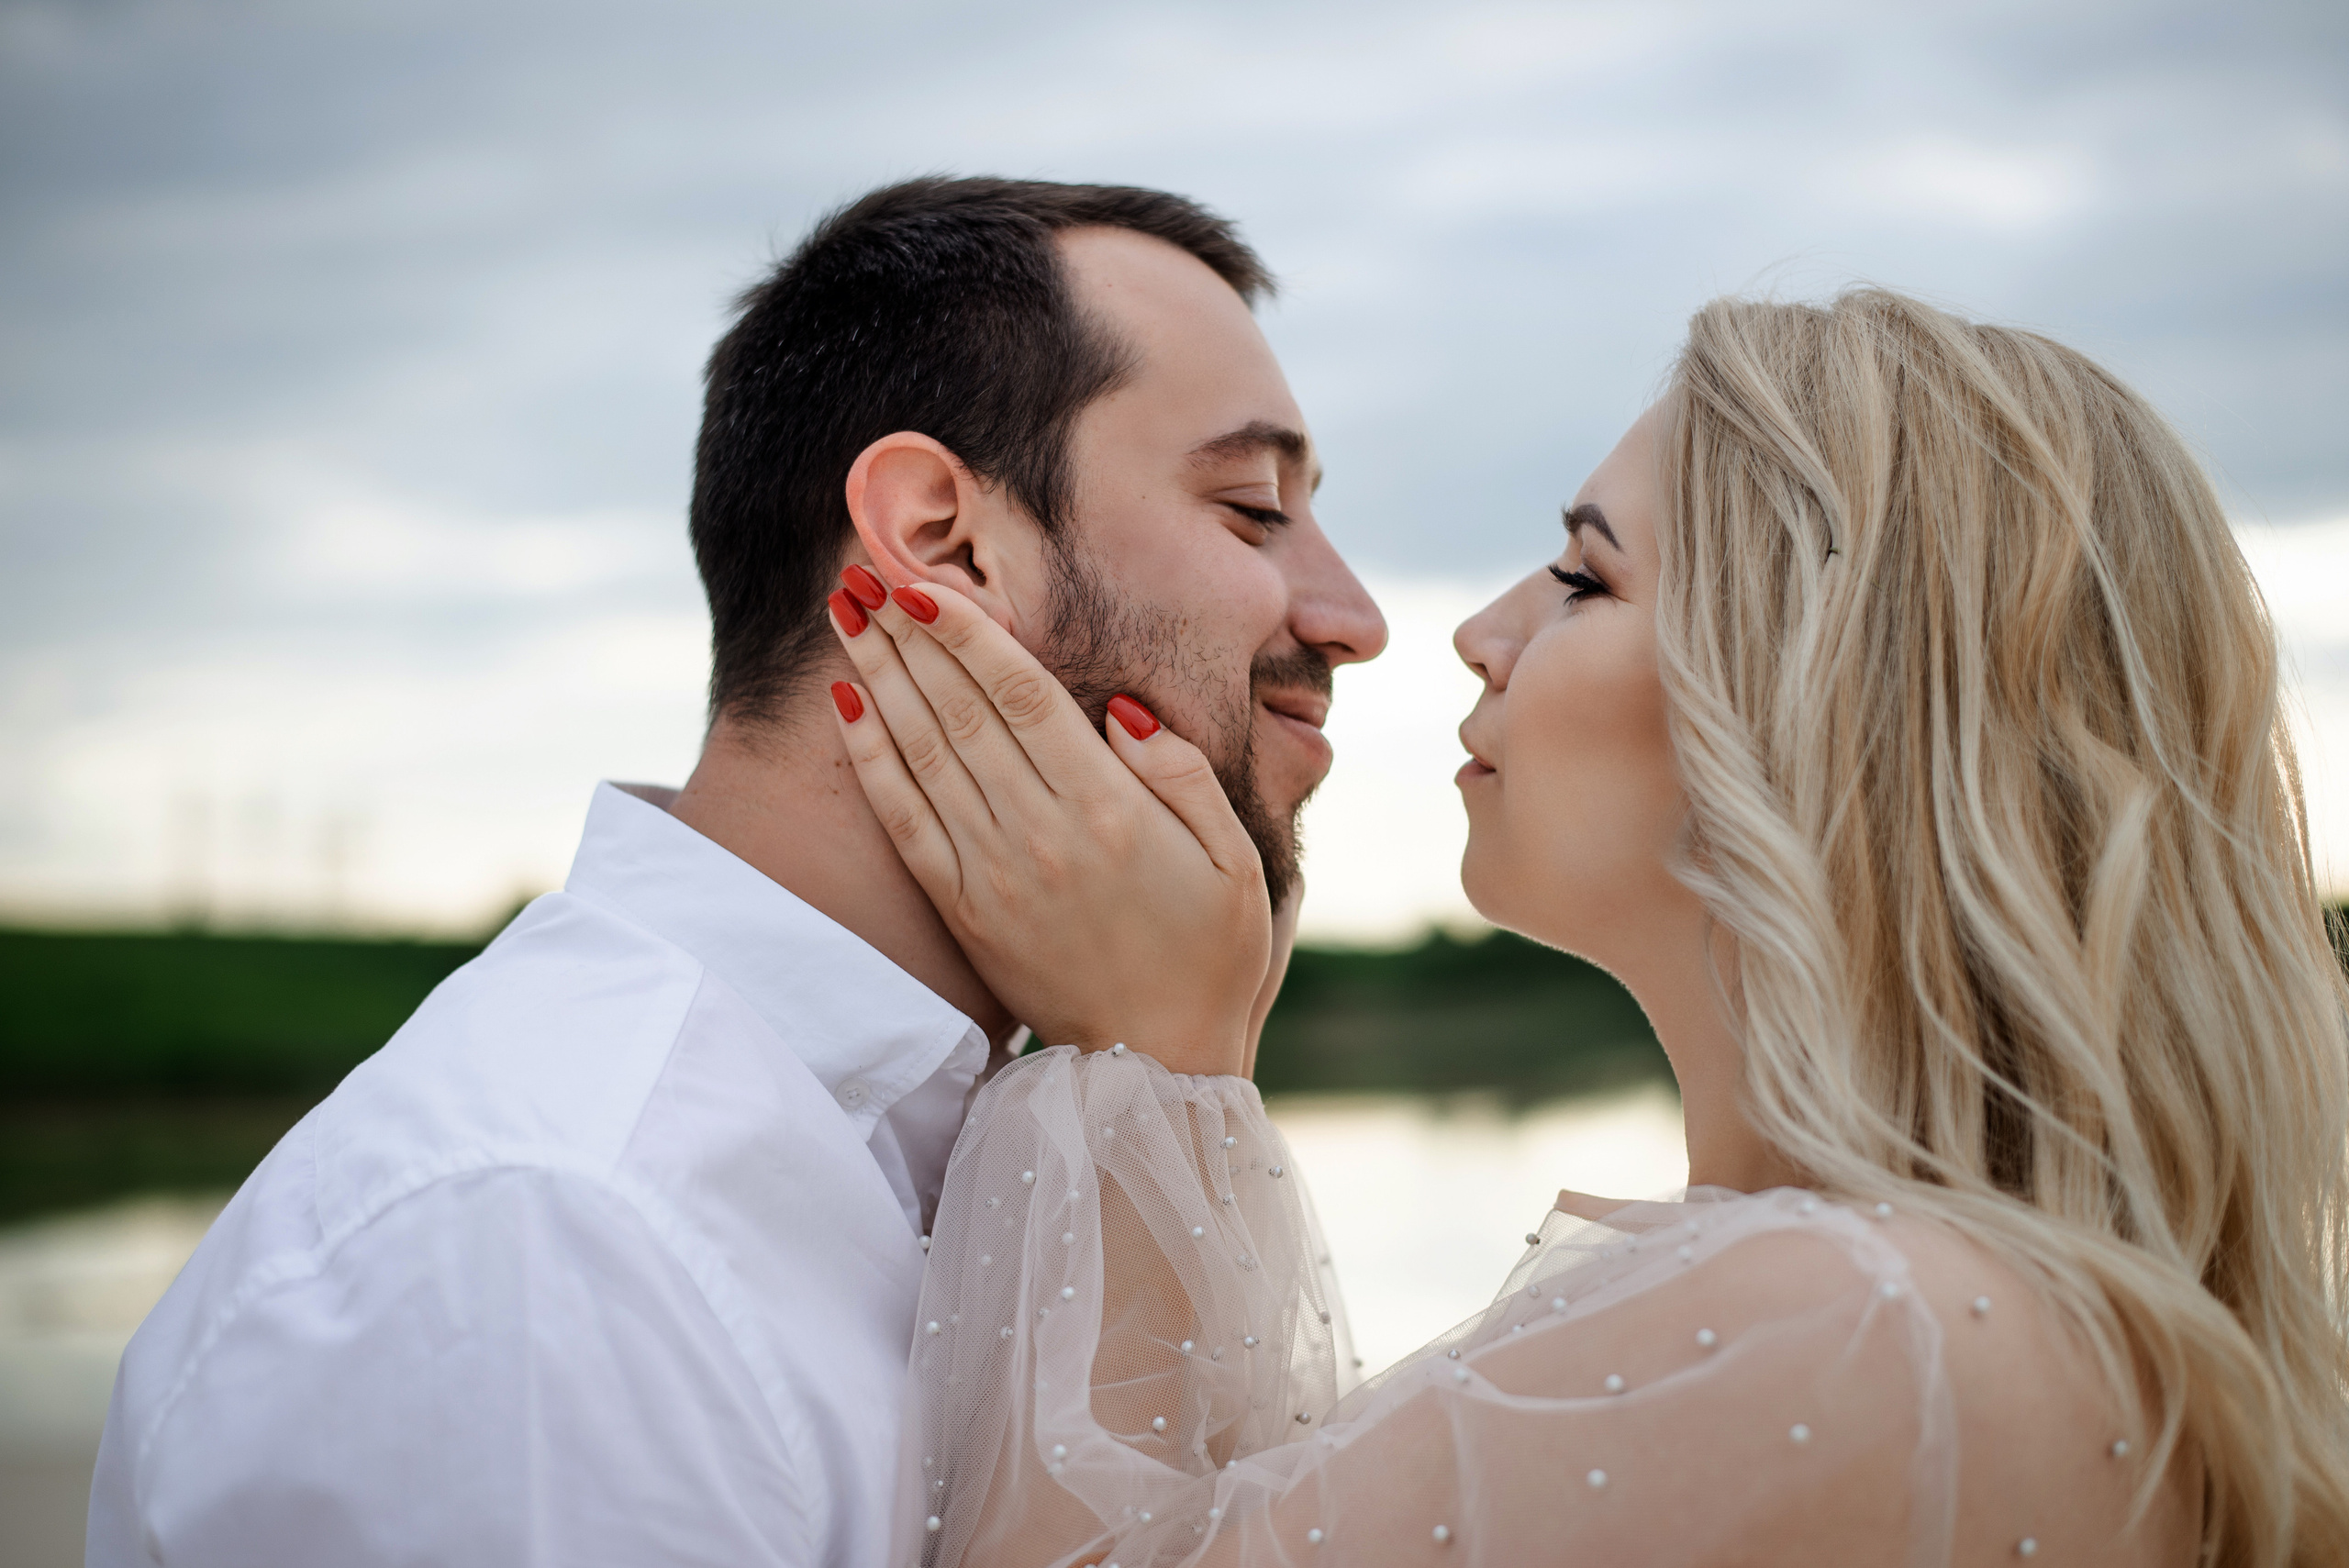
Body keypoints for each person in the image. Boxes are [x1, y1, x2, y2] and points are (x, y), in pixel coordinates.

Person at [827, 289, 2349, 1565]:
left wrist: (1138, 1053)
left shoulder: (1863, 1320)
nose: (1480, 631)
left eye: (1582, 576)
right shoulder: (1924, 1297)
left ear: (1820, 707)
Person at [84, 177, 1384, 1566]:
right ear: (942, 537)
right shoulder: (551, 1242)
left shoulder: (990, 1136)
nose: (1355, 617)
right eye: (1253, 508)